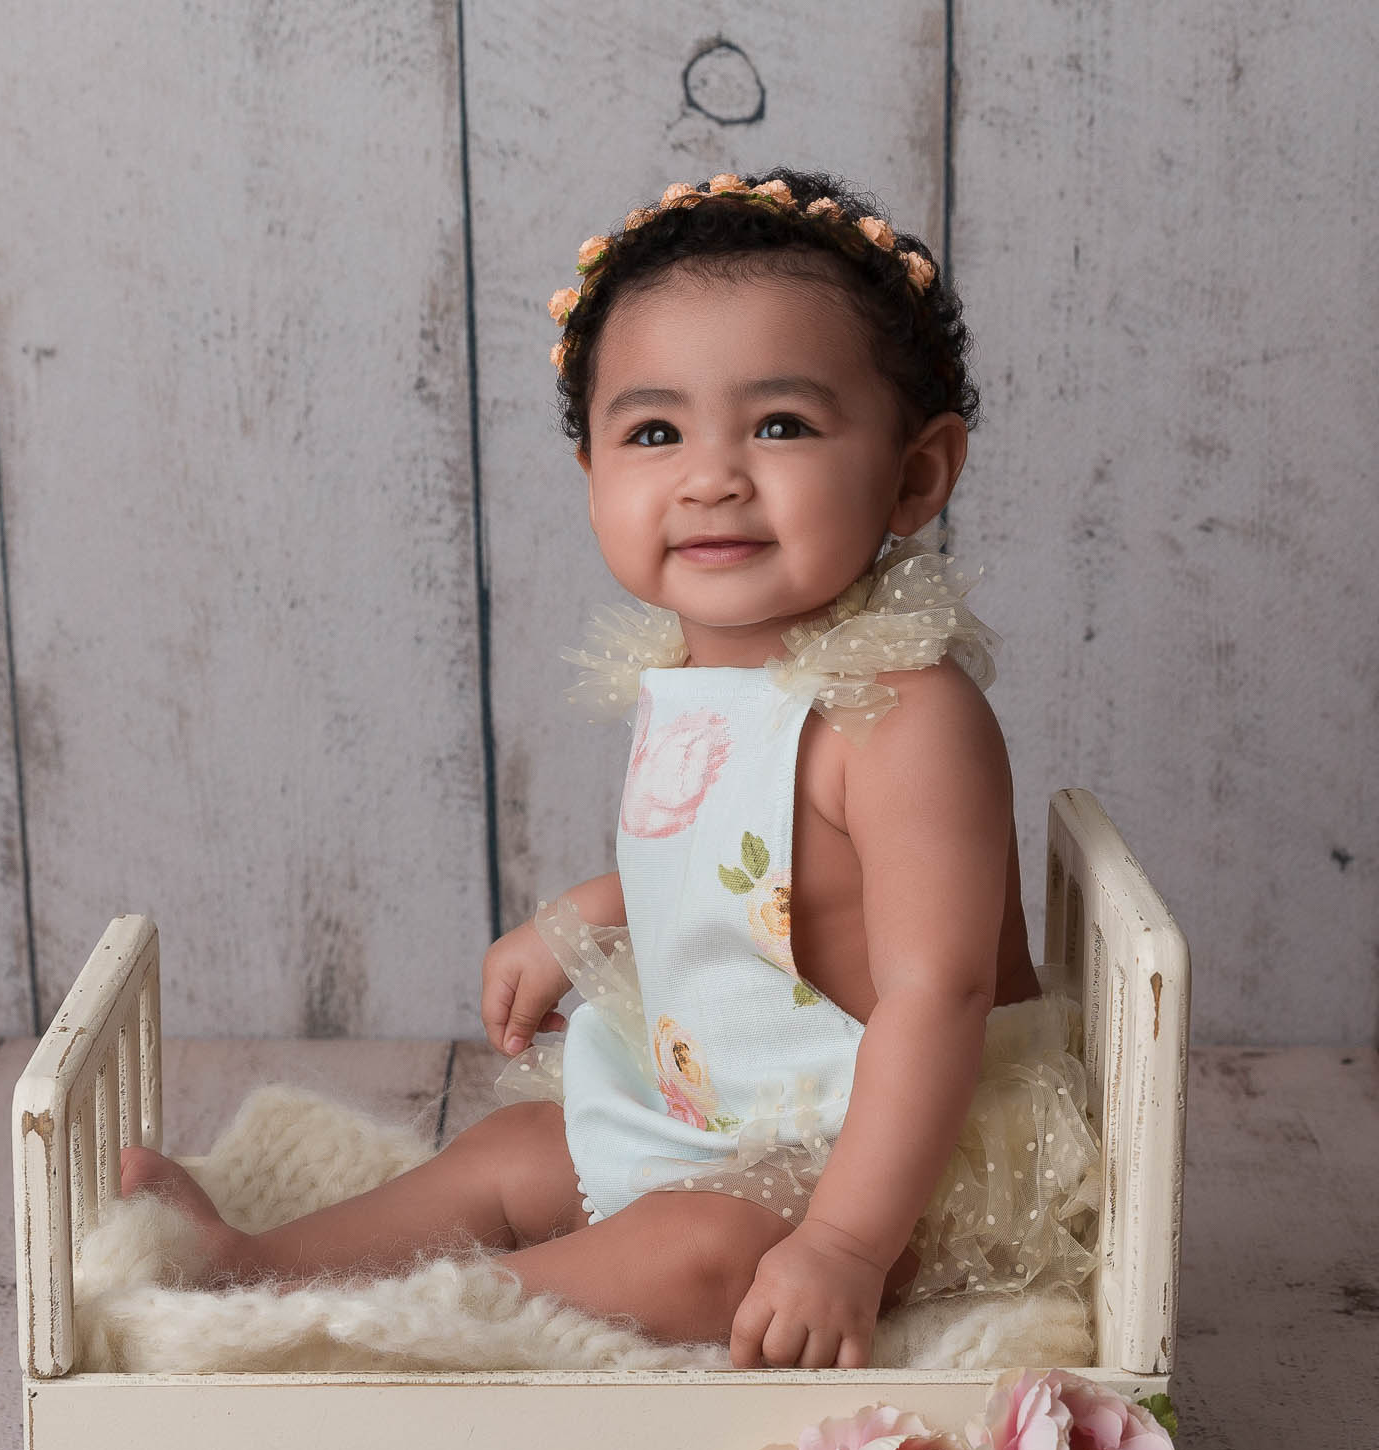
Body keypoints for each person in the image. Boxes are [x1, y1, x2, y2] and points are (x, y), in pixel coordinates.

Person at [122, 168, 1103, 1369]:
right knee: (517, 1155)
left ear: (913, 475)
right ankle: (265, 1269)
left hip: (894, 1141)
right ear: (593, 477)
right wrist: (586, 917)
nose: (710, 474)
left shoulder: (904, 712)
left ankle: (445, 1313)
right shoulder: (693, 680)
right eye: (653, 432)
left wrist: (843, 1242)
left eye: (780, 424)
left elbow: (934, 996)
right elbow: (740, 864)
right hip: (732, 1099)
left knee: (696, 1252)